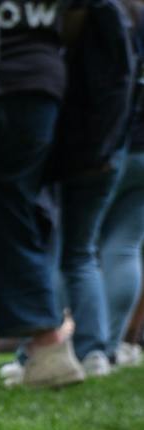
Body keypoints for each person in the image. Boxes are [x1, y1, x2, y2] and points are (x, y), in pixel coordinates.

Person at [0, 0, 86, 390]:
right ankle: (47, 347)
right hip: (41, 84)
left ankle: (45, 344)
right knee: (14, 207)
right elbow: (77, 17)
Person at [53, 0, 137, 379]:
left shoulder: (104, 12)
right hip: (123, 145)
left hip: (98, 144)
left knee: (65, 249)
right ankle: (102, 350)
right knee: (117, 248)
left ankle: (46, 351)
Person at [98, 0, 144, 369]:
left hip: (113, 143)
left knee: (77, 250)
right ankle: (111, 347)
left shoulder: (116, 12)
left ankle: (85, 346)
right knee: (125, 248)